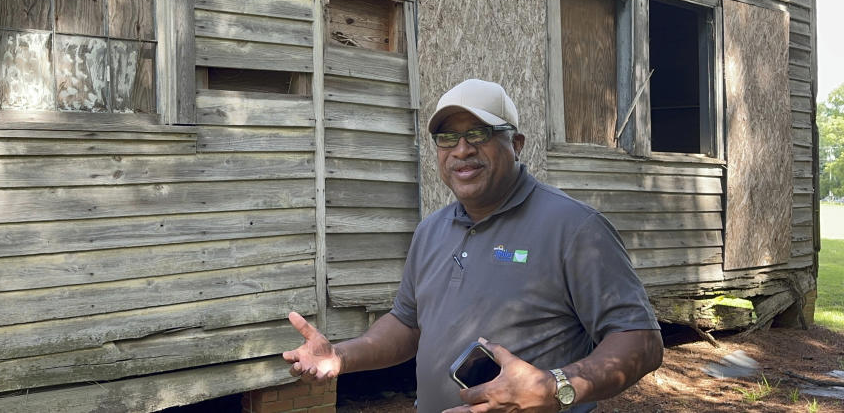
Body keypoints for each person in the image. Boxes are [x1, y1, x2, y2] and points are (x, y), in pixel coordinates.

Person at [284, 79, 663, 412]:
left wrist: (557, 387)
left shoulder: (575, 227)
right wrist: (341, 356)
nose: (461, 149)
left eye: (478, 133)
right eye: (447, 137)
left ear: (515, 144)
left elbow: (640, 341)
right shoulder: (431, 230)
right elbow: (407, 324)